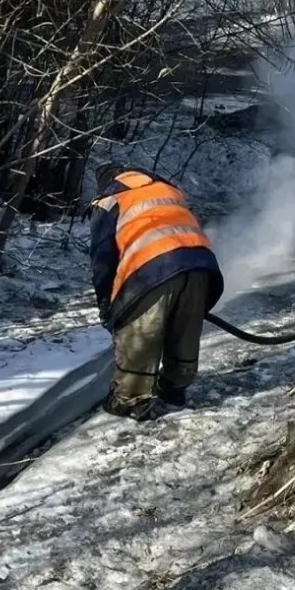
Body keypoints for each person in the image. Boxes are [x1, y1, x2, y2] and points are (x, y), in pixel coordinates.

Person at [89, 164, 224, 420]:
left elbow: (102, 259)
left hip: (153, 267)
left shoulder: (109, 200)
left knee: (141, 331)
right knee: (184, 327)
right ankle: (175, 388)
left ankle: (129, 400)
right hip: (200, 263)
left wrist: (107, 304)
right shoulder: (165, 189)